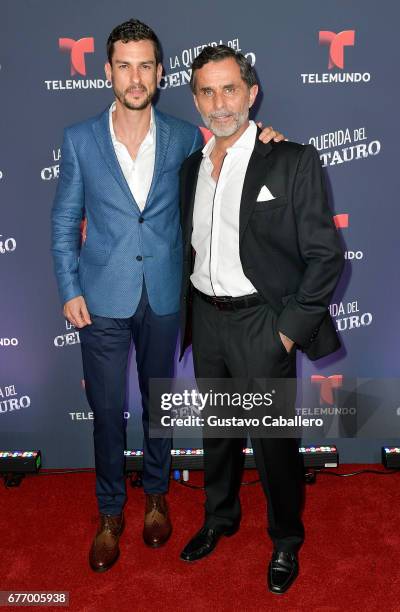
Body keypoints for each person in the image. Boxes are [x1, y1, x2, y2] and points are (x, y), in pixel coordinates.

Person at [51, 19, 283, 573]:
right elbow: (64, 221)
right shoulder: (80, 139)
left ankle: (156, 496)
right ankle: (111, 511)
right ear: (108, 71)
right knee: (107, 411)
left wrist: (268, 140)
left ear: (160, 72)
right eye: (124, 65)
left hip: (165, 297)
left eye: (146, 65)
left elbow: (235, 152)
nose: (135, 77)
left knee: (159, 406)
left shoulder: (185, 136)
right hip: (100, 298)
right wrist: (68, 288)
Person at [178, 45, 344, 594]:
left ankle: (286, 540)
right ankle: (219, 518)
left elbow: (326, 256)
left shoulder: (291, 159)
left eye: (230, 89)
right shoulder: (190, 170)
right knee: (218, 434)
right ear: (195, 99)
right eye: (207, 90)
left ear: (251, 94)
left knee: (274, 444)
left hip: (261, 324)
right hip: (207, 318)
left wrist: (287, 329)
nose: (219, 102)